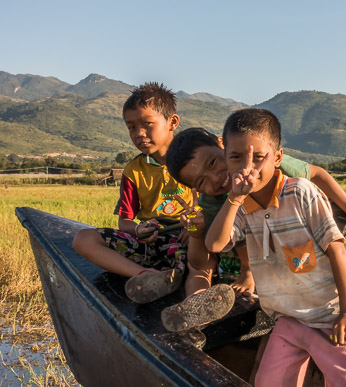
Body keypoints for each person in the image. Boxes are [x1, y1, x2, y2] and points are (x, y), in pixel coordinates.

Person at [205, 108, 346, 386]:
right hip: (290, 316)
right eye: (236, 157)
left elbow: (337, 251)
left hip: (334, 315)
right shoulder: (240, 207)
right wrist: (233, 199)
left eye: (258, 158)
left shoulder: (300, 192)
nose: (248, 168)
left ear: (278, 157)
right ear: (226, 159)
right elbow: (215, 244)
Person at [161, 126, 346, 331]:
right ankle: (198, 308)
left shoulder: (263, 161)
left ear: (222, 145)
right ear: (195, 190)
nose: (215, 178)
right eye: (201, 182)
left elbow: (317, 173)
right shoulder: (212, 201)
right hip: (254, 239)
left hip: (297, 227)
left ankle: (250, 273)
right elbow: (206, 256)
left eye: (212, 163)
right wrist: (196, 234)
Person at [72, 83, 234, 324]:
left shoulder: (195, 161)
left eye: (147, 124)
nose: (139, 133)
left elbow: (209, 204)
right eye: (131, 127)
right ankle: (146, 276)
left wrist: (194, 231)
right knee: (82, 239)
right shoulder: (133, 170)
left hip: (187, 238)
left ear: (172, 122)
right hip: (152, 241)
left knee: (198, 264)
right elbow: (125, 221)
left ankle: (192, 302)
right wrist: (138, 229)